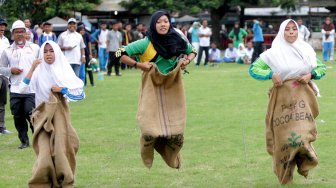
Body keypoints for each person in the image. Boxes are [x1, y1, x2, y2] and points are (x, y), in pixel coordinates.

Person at [115, 10, 197, 169]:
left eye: (165, 21)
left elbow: (192, 51)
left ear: (170, 23)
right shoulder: (145, 43)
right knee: (149, 130)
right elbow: (120, 53)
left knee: (175, 132)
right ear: (153, 24)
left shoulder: (176, 39)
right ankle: (148, 153)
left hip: (172, 88)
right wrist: (138, 65)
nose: (163, 24)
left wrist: (187, 60)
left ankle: (172, 157)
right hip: (151, 89)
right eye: (159, 22)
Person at [249, 19, 326, 185]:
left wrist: (310, 76)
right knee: (283, 140)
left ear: (298, 31)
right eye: (288, 29)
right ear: (282, 32)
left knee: (301, 136)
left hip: (302, 100)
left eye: (294, 29)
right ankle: (285, 174)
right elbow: (254, 69)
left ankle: (305, 163)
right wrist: (271, 75)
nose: (291, 32)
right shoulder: (274, 52)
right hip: (281, 101)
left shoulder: (306, 50)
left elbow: (321, 68)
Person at [20, 41, 84, 187]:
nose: (48, 54)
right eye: (45, 51)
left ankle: (64, 178)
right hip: (41, 117)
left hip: (60, 117)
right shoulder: (37, 71)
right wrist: (32, 68)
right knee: (44, 153)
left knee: (62, 149)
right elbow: (23, 88)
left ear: (56, 52)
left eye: (51, 51)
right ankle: (42, 182)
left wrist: (62, 89)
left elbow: (79, 94)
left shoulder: (63, 69)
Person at [0, 20, 40, 149]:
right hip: (15, 88)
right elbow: (1, 68)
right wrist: (10, 71)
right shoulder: (7, 51)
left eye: (22, 32)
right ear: (12, 34)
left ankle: (37, 137)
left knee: (31, 113)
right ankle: (24, 141)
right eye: (16, 32)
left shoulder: (34, 48)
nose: (19, 35)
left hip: (31, 89)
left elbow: (42, 65)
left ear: (25, 32)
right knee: (17, 115)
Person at [0, 18, 12, 135]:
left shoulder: (6, 40)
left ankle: (1, 127)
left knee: (2, 102)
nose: (2, 28)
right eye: (0, 26)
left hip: (3, 75)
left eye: (3, 26)